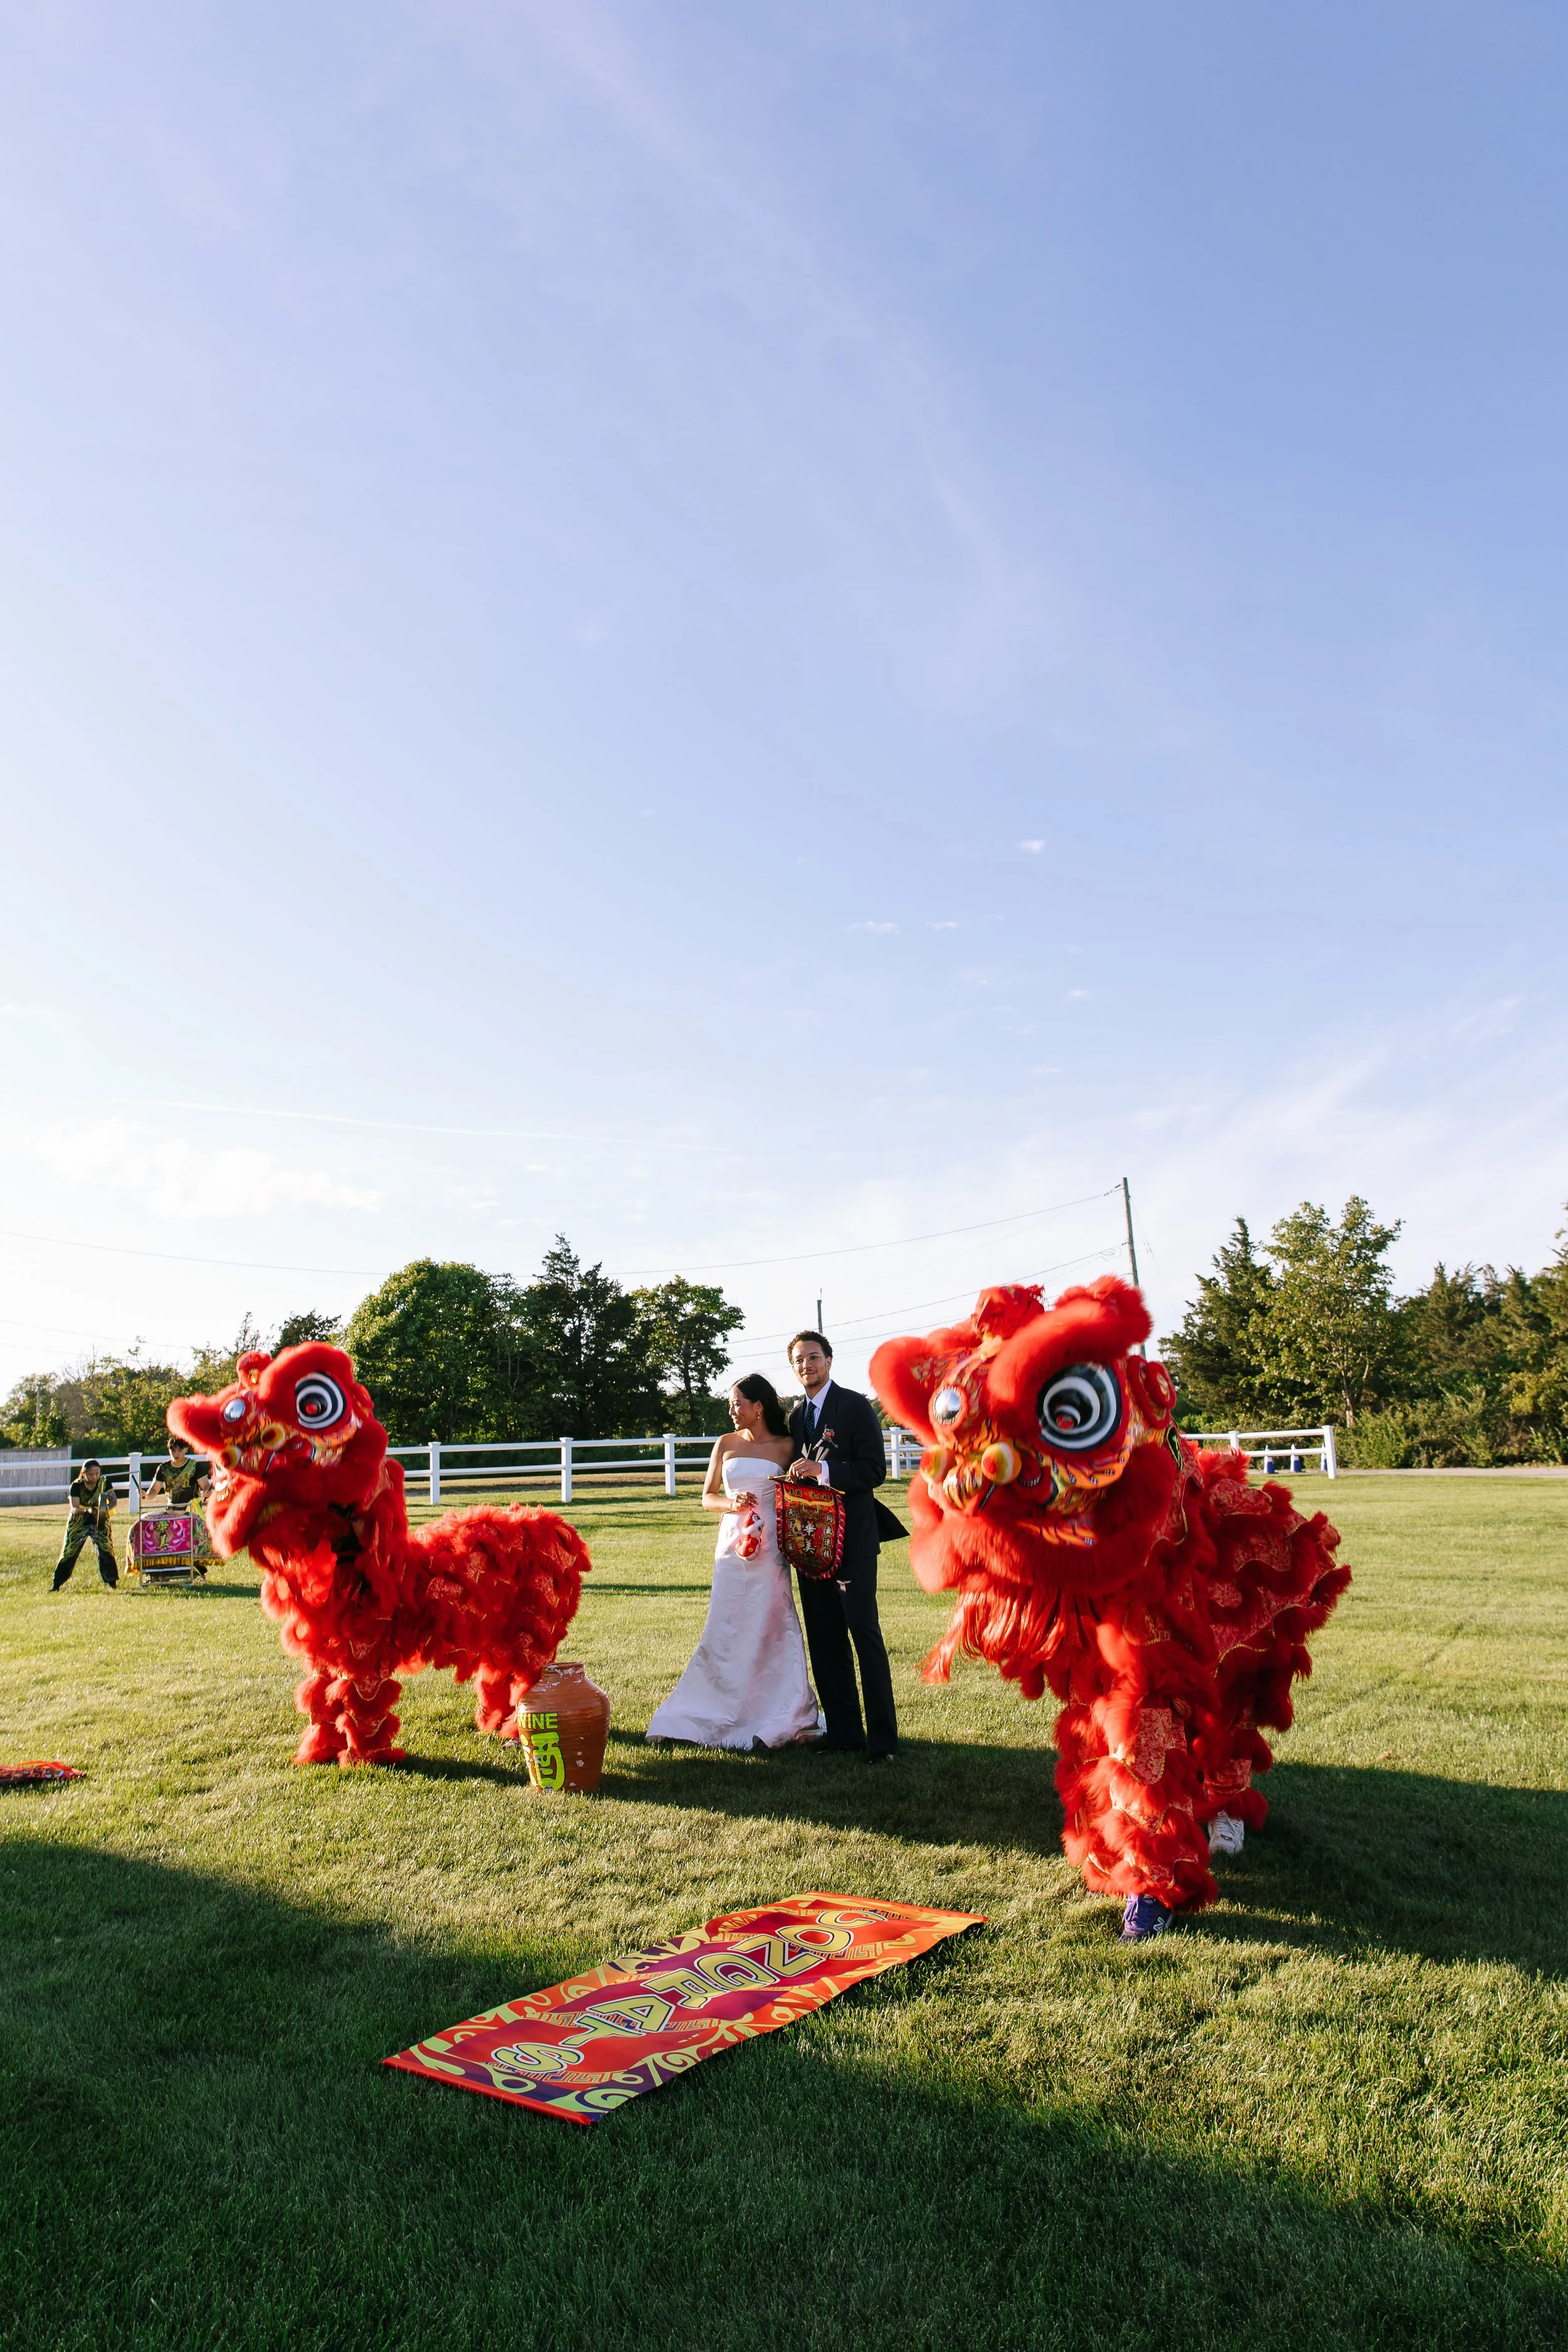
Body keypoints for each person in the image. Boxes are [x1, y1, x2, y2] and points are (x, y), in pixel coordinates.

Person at [646, 1374, 822, 1752]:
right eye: (731, 1403)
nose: (732, 1410)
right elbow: (707, 1497)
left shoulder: (788, 1446)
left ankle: (780, 1707)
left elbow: (802, 1493)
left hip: (771, 1549)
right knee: (727, 1624)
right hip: (732, 1545)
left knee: (773, 1622)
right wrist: (732, 1504)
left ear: (759, 1407)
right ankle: (716, 1704)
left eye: (738, 1403)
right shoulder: (725, 1444)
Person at [785, 1330, 899, 1761]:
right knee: (825, 1640)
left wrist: (824, 1470)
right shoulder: (796, 1416)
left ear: (829, 1361)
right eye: (798, 1360)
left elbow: (874, 1470)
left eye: (813, 1357)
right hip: (811, 1545)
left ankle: (883, 1741)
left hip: (852, 1541)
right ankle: (845, 1734)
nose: (806, 1366)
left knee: (863, 1634)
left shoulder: (854, 1406)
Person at [53, 1459, 119, 1590]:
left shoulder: (105, 1483)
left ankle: (112, 1582)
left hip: (99, 1517)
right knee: (69, 1550)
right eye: (91, 1474)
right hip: (79, 1520)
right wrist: (87, 1511)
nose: (95, 1477)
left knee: (106, 1548)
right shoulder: (76, 1486)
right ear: (84, 1474)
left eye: (97, 1473)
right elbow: (75, 1508)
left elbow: (114, 1500)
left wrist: (104, 1508)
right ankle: (57, 1584)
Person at [146, 1438, 210, 1509]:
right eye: (173, 1451)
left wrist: (207, 1492)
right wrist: (146, 1495)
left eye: (180, 1450)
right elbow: (154, 1490)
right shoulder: (163, 1468)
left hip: (192, 1510)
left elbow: (206, 1485)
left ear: (186, 1449)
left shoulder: (195, 1466)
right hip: (172, 1509)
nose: (176, 1454)